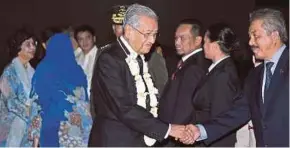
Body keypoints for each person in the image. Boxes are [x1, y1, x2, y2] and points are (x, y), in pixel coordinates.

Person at [181, 8, 289, 147]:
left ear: (274, 36)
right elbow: (239, 113)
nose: (250, 42)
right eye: (250, 36)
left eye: (256, 36)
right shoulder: (255, 75)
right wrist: (201, 131)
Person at [88, 4, 189, 147]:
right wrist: (168, 129)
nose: (152, 40)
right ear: (128, 31)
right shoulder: (110, 59)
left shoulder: (139, 55)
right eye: (147, 34)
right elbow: (124, 107)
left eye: (155, 34)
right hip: (116, 141)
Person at [31, 33, 92, 147]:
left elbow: (40, 95)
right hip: (79, 122)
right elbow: (85, 98)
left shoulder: (44, 67)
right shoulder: (77, 70)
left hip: (56, 121)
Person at [158, 19, 210, 146]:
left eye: (182, 38)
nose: (177, 42)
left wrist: (172, 134)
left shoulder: (194, 67)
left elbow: (185, 106)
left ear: (198, 40)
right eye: (176, 38)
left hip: (177, 138)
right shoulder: (186, 63)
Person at [192, 23, 241, 146]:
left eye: (205, 42)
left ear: (214, 45)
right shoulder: (217, 69)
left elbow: (220, 120)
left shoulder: (223, 75)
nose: (203, 46)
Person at [0, 28, 38, 147]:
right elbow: (10, 100)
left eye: (34, 44)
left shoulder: (33, 72)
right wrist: (30, 112)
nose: (33, 48)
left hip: (29, 123)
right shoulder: (9, 72)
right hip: (12, 123)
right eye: (28, 44)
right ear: (18, 48)